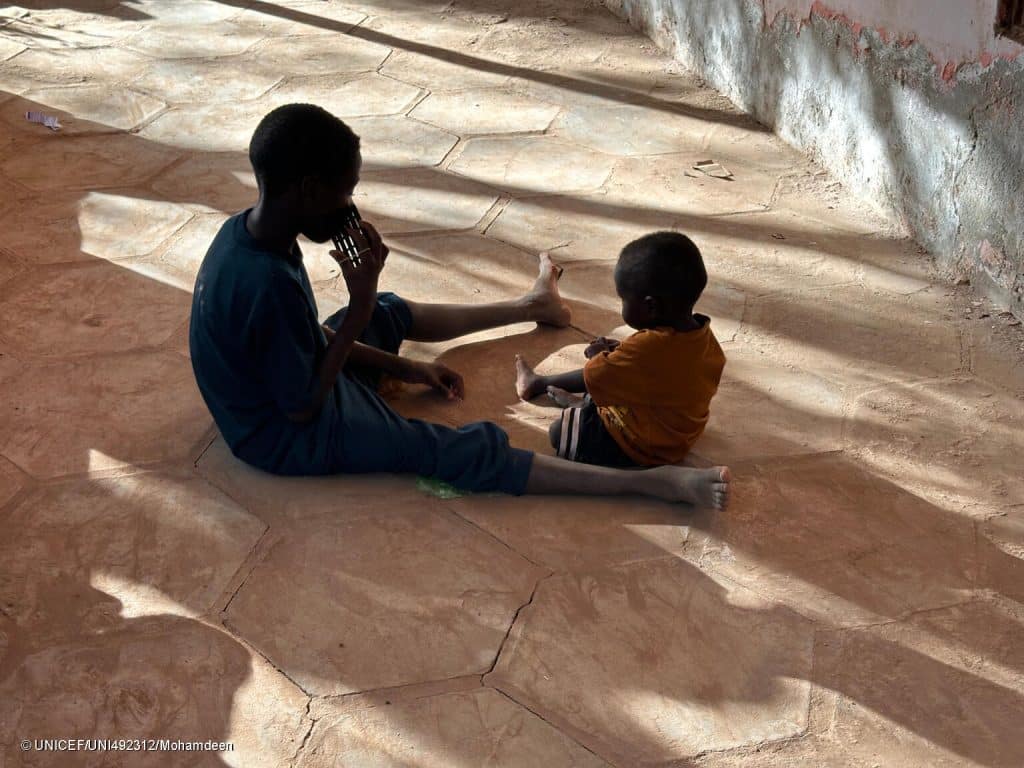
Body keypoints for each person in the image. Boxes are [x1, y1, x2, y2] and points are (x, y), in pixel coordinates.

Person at [188, 103, 729, 509]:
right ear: (307, 190)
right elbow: (302, 406)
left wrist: (406, 364)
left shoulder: (254, 235)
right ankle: (652, 485)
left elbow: (307, 336)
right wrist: (357, 307)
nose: (350, 206)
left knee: (389, 311)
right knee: (446, 450)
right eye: (344, 192)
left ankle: (531, 303)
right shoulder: (265, 284)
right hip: (285, 436)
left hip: (292, 387)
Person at [514, 231, 726, 468]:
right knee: (620, 377)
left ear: (650, 306)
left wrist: (597, 356)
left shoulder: (648, 348)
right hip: (679, 433)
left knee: (559, 432)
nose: (622, 305)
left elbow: (598, 374)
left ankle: (539, 384)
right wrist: (620, 353)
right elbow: (663, 368)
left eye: (624, 299)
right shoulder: (702, 335)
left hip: (645, 445)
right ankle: (580, 404)